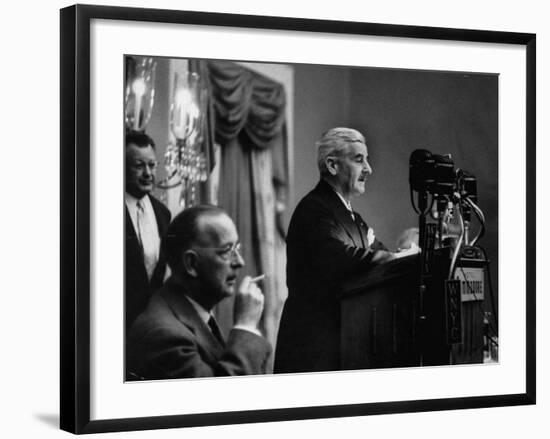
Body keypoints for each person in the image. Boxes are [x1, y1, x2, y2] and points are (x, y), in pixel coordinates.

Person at [274, 127, 418, 373]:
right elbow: (339, 258)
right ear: (332, 166)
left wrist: (405, 254)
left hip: (345, 345)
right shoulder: (313, 209)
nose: (369, 169)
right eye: (359, 159)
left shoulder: (354, 219)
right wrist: (392, 257)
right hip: (313, 350)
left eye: (367, 160)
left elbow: (379, 254)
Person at [127, 205, 271, 379]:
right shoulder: (164, 336)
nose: (239, 262)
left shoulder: (188, 308)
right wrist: (245, 326)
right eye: (226, 251)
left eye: (237, 248)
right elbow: (222, 401)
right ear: (191, 264)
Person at [125, 131, 171, 330]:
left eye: (152, 165)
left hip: (152, 326)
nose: (147, 173)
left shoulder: (163, 214)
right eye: (138, 166)